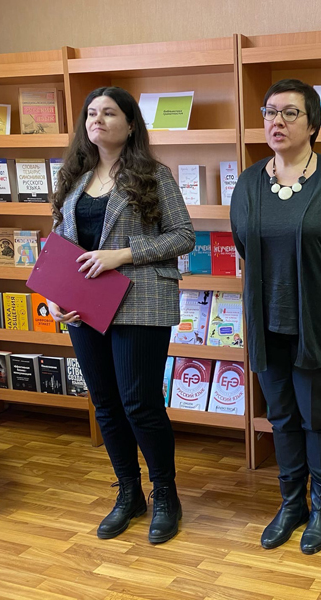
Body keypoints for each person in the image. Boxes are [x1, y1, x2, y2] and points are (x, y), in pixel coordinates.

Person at [230, 79, 321, 555]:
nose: (277, 121)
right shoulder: (249, 183)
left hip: (320, 322)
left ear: (313, 123)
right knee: (282, 418)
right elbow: (244, 244)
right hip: (267, 323)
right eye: (270, 112)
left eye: (290, 112)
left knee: (318, 418)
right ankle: (291, 503)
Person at [49, 86, 195, 544]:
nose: (97, 120)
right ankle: (129, 492)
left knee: (140, 404)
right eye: (91, 113)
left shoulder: (154, 174)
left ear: (130, 125)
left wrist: (123, 254)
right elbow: (60, 240)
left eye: (109, 113)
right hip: (83, 306)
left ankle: (165, 494)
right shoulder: (74, 177)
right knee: (106, 404)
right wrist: (54, 294)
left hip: (140, 302)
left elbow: (183, 236)